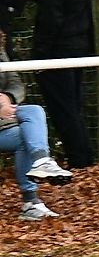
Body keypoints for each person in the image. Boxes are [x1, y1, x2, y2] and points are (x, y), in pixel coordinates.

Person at [32, 0, 95, 169]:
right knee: (73, 105)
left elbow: (51, 20)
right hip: (79, 47)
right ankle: (82, 157)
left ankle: (79, 160)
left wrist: (39, 56)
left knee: (64, 109)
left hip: (58, 52)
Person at [0, 33, 73, 221]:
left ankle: (41, 162)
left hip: (5, 118)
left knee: (33, 111)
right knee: (25, 134)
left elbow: (15, 82)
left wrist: (8, 97)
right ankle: (31, 199)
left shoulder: (0, 49)